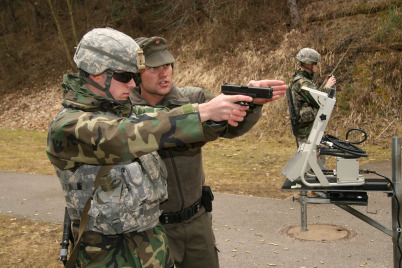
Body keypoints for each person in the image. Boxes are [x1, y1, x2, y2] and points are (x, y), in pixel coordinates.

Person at [46, 28, 254, 268]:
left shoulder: (126, 111)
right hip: (106, 259)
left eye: (135, 75)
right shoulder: (68, 127)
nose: (133, 83)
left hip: (153, 254)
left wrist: (241, 103)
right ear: (97, 75)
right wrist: (204, 111)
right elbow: (123, 135)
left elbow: (169, 121)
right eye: (125, 76)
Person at [129, 36, 287, 268]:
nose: (164, 73)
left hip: (197, 223)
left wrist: (250, 102)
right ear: (136, 73)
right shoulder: (125, 115)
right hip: (151, 229)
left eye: (167, 65)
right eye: (153, 68)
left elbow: (231, 128)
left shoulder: (192, 98)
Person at [288, 47, 336, 146]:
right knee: (312, 160)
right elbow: (321, 101)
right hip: (307, 133)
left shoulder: (301, 80)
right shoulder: (302, 83)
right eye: (315, 63)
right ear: (309, 64)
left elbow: (313, 97)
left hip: (307, 131)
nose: (317, 66)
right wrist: (327, 87)